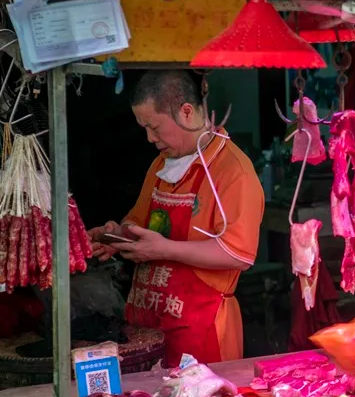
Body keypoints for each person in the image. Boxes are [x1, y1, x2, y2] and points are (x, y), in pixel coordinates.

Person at [87, 70, 265, 367]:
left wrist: (163, 249)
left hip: (200, 333)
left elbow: (238, 253)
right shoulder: (162, 163)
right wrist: (117, 236)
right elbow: (137, 221)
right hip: (147, 326)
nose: (149, 138)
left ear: (186, 112)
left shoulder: (233, 170)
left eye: (154, 127)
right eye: (144, 128)